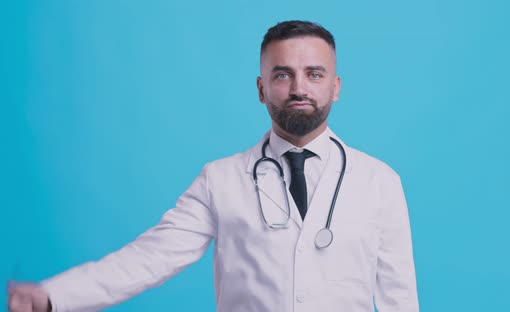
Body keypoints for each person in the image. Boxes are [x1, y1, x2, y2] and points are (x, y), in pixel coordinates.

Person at [7, 20, 419, 312]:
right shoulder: (220, 180)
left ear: (335, 86)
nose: (298, 88)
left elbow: (400, 297)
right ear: (261, 89)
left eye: (314, 74)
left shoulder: (379, 181)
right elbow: (149, 258)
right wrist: (54, 295)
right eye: (282, 75)